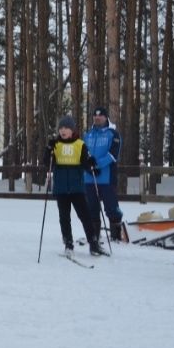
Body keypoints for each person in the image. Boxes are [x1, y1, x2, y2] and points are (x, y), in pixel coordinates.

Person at [43, 115, 107, 257]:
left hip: (77, 187)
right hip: (61, 188)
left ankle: (93, 243)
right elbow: (47, 164)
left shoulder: (80, 144)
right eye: (61, 128)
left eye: (66, 128)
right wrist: (48, 149)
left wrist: (92, 165)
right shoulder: (55, 144)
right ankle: (68, 244)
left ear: (72, 130)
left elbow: (85, 163)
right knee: (64, 218)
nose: (63, 130)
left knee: (85, 216)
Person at [83, 106, 124, 241]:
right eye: (95, 116)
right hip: (89, 178)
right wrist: (87, 165)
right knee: (91, 209)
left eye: (100, 116)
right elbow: (82, 154)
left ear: (106, 117)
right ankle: (94, 236)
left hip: (106, 178)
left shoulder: (113, 134)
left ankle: (116, 236)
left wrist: (97, 164)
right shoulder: (87, 135)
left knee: (112, 209)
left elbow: (113, 155)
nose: (97, 118)